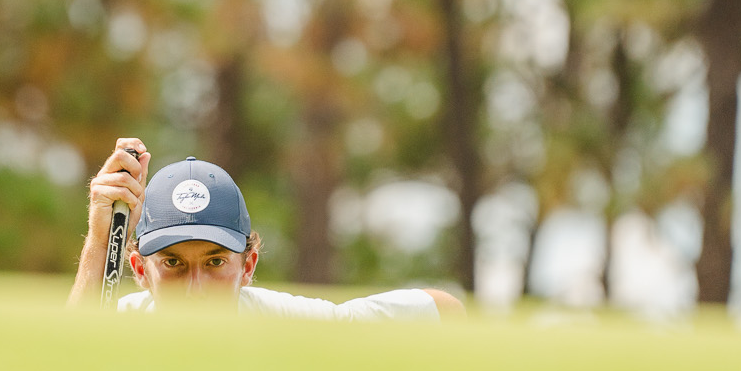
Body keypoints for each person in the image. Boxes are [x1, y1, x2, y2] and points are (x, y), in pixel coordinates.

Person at [67, 138, 465, 320]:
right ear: (139, 271)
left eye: (215, 262)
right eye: (173, 263)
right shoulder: (117, 323)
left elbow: (444, 310)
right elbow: (64, 367)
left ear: (248, 266)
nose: (196, 290)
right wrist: (101, 240)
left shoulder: (289, 323)